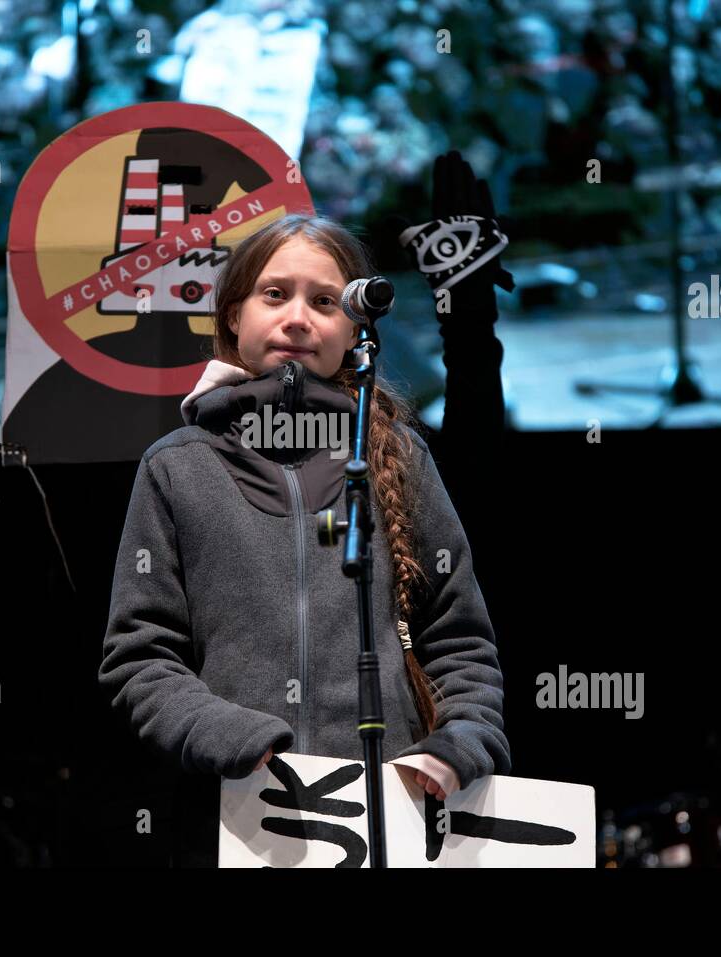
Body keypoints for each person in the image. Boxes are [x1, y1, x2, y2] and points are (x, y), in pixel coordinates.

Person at [98, 212, 511, 867]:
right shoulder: (177, 466)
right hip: (240, 819)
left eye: (324, 301)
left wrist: (460, 741)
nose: (298, 318)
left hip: (391, 820)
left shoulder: (398, 457)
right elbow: (140, 659)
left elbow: (460, 643)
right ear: (233, 315)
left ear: (354, 329)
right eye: (274, 294)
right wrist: (231, 733)